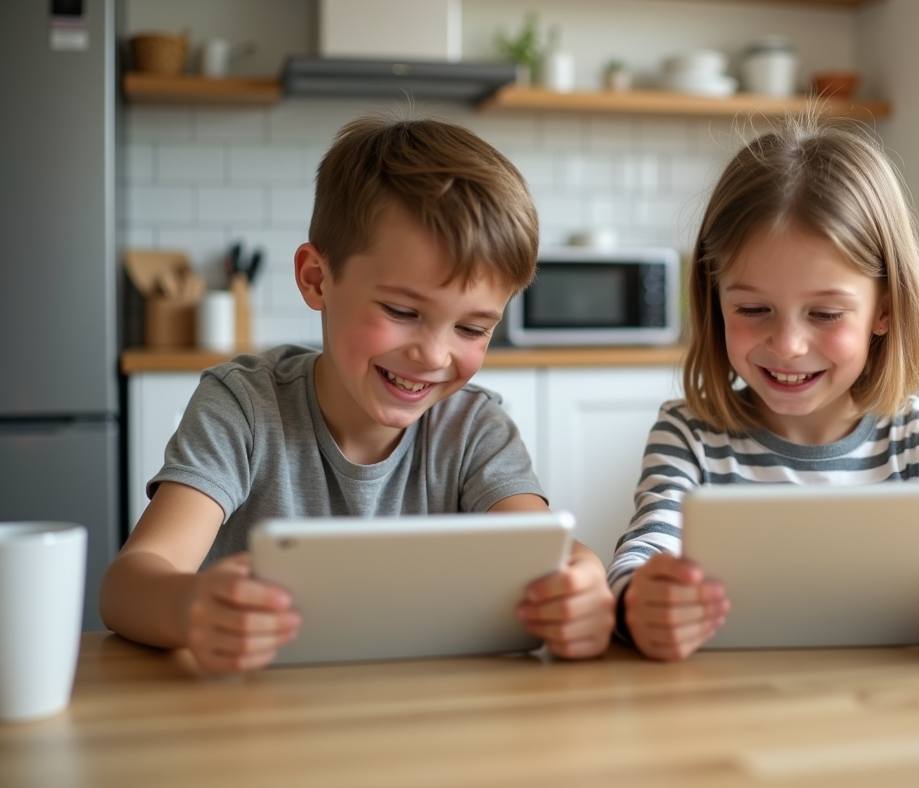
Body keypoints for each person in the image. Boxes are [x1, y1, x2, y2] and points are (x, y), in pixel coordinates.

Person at [100, 116, 615, 672]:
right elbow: (129, 583)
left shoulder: (476, 429)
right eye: (401, 312)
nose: (435, 356)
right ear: (317, 279)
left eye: (471, 329)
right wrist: (189, 607)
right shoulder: (244, 407)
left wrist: (583, 585)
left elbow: (550, 555)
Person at [607, 116, 919, 661]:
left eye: (825, 313)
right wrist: (638, 603)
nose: (788, 345)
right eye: (753, 309)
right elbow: (643, 551)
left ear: (885, 310)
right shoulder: (689, 435)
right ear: (715, 304)